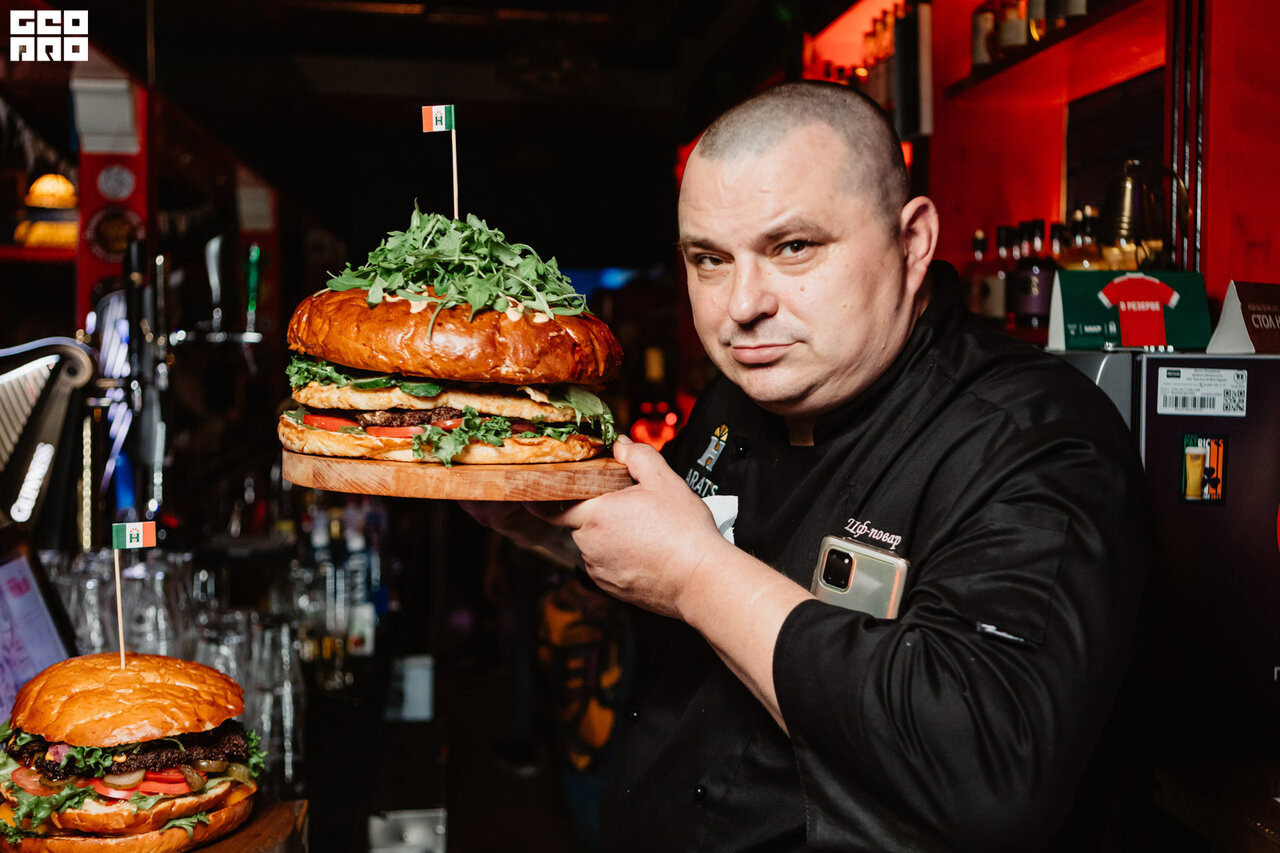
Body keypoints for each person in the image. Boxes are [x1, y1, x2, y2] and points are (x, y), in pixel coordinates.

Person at [463, 81, 1150, 852]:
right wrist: (550, 525)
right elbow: (682, 564)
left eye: (793, 247)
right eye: (709, 260)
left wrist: (695, 571)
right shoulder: (738, 396)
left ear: (914, 240)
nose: (743, 304)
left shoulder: (1037, 441)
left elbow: (987, 769)